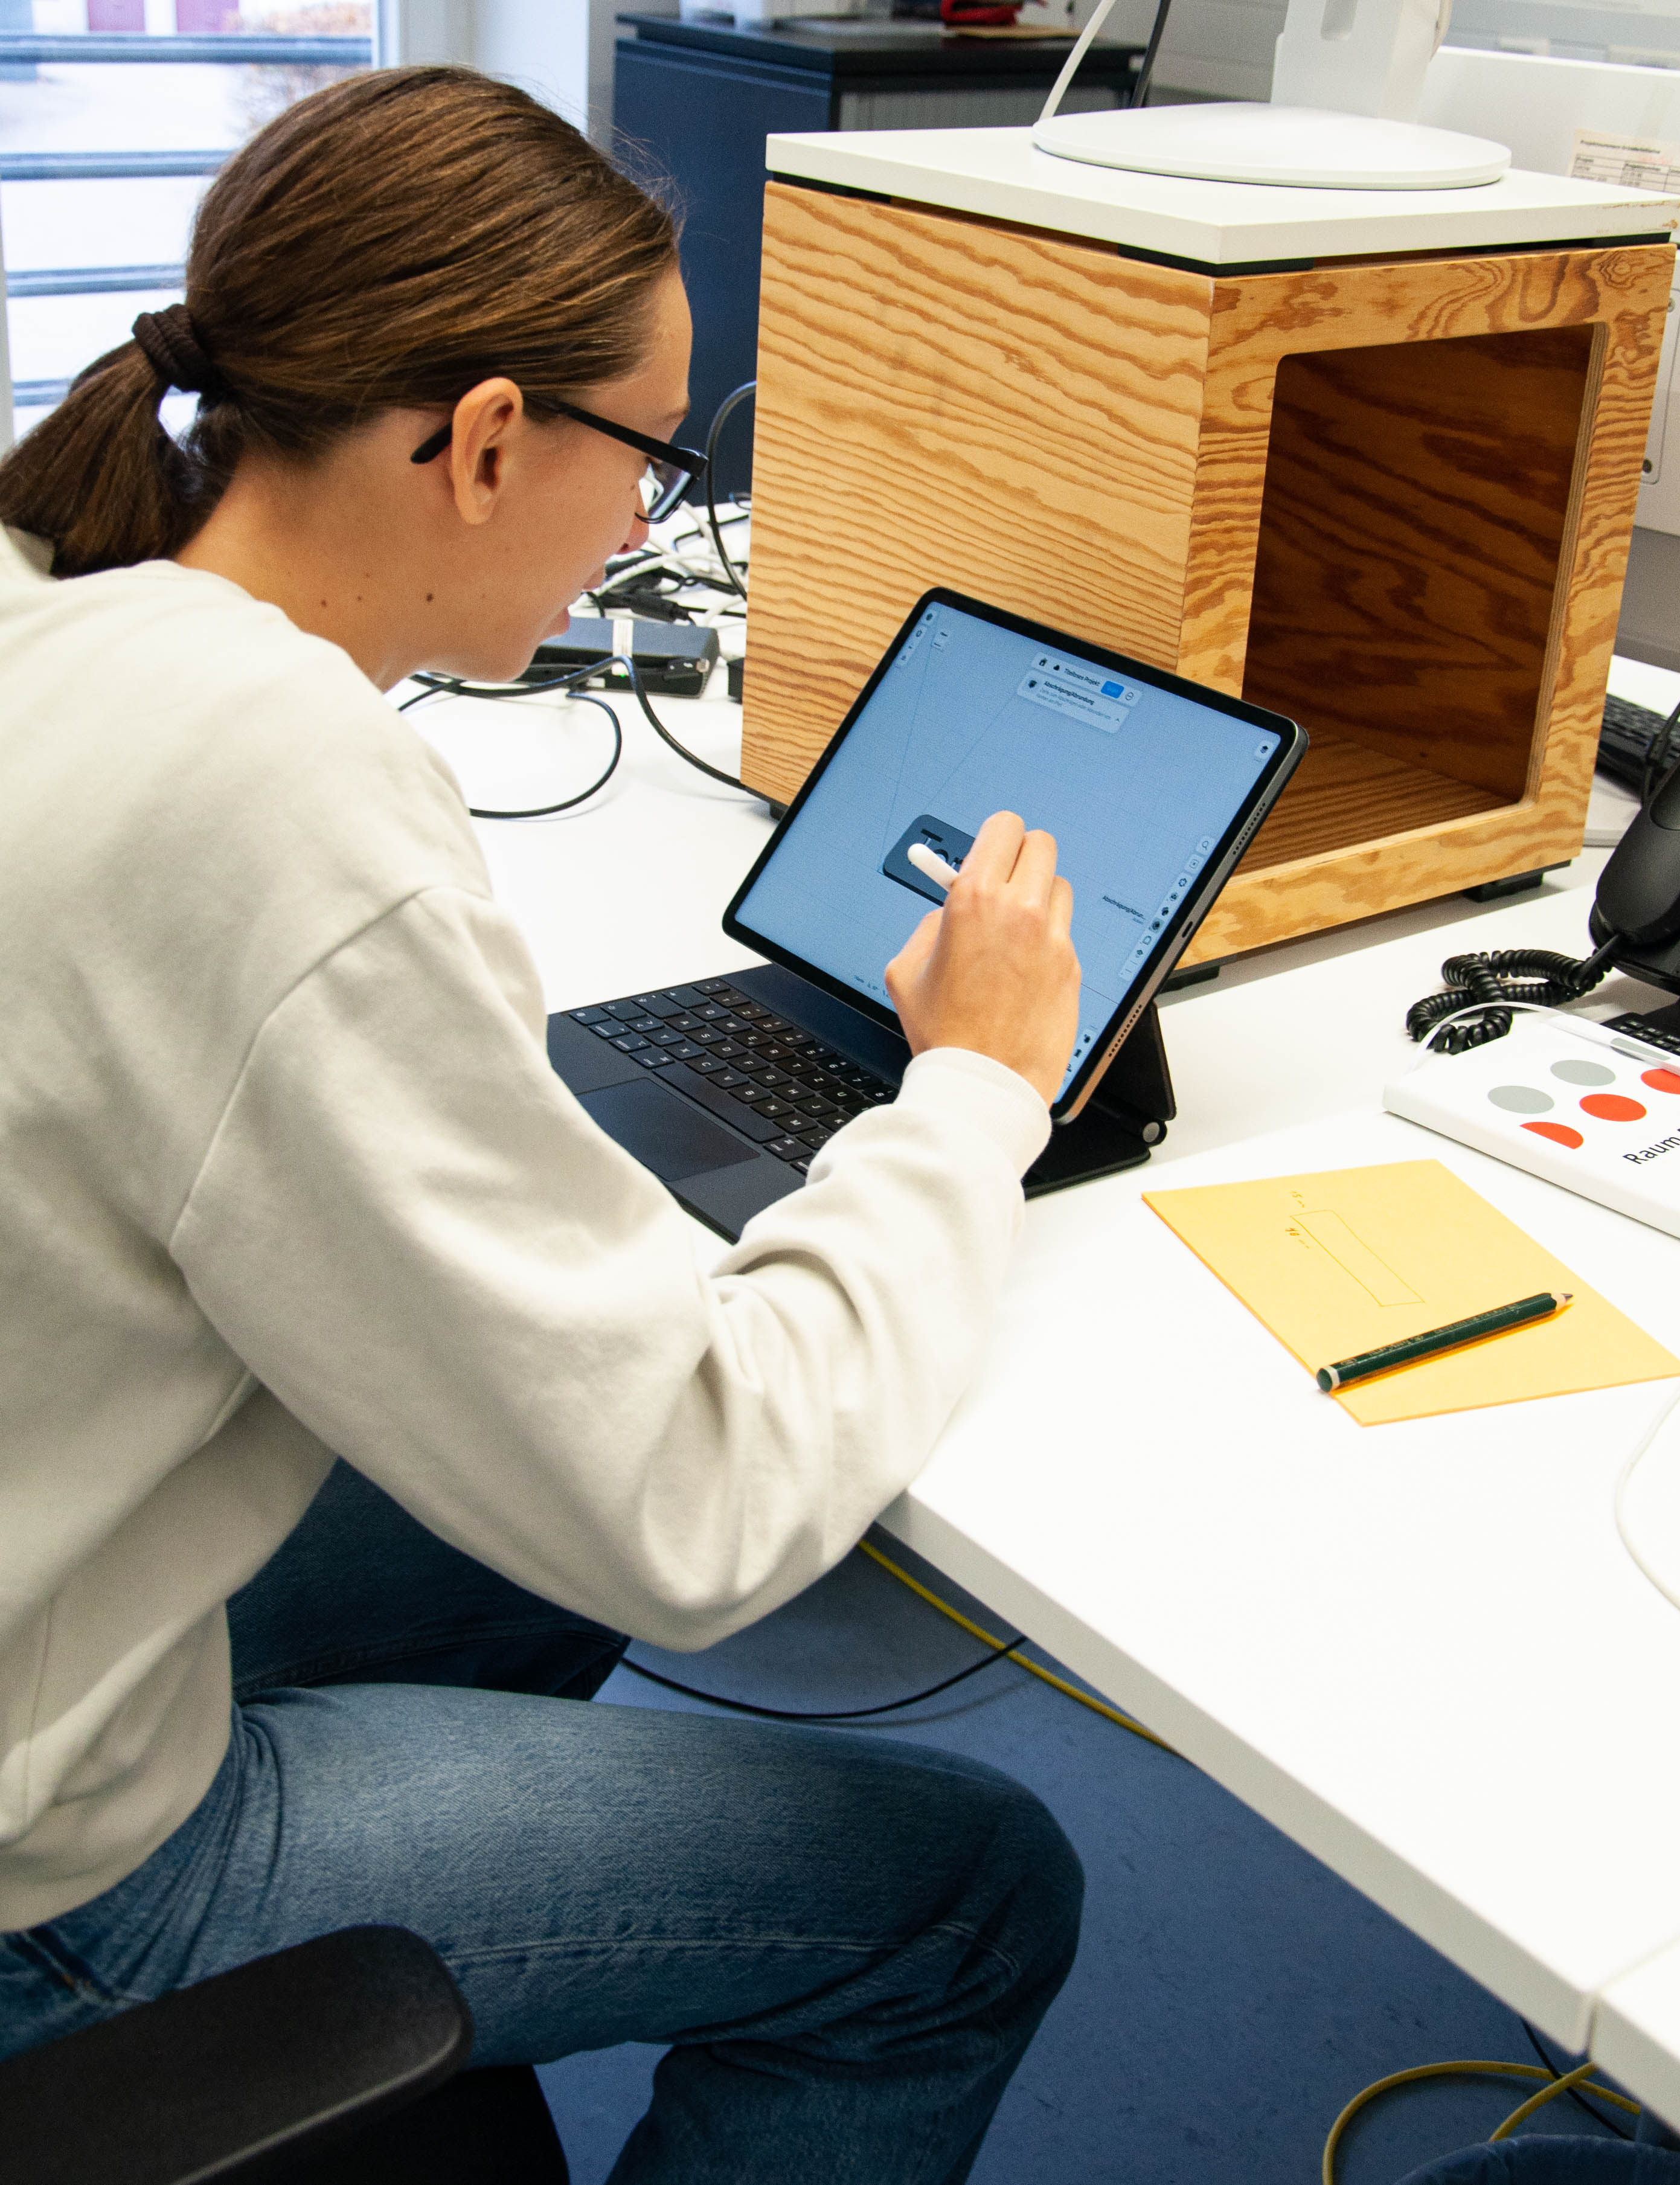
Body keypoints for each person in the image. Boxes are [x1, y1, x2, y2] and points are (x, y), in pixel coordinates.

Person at [0, 64, 1087, 2183]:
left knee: (505, 1529)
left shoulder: (61, 590)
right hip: (51, 1879)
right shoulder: (276, 788)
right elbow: (700, 1502)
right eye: (656, 462)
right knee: (968, 1896)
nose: (652, 528)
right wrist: (969, 1086)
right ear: (489, 440)